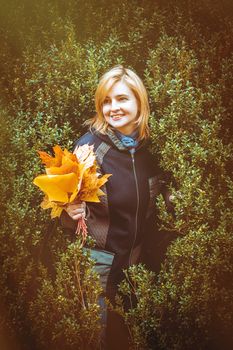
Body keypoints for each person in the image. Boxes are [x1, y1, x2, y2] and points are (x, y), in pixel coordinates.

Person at [60, 65, 174, 349]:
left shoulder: (153, 149)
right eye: (106, 101)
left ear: (139, 101)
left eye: (122, 99)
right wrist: (67, 211)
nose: (113, 108)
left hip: (135, 264)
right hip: (98, 264)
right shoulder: (89, 148)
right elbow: (64, 202)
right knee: (94, 340)